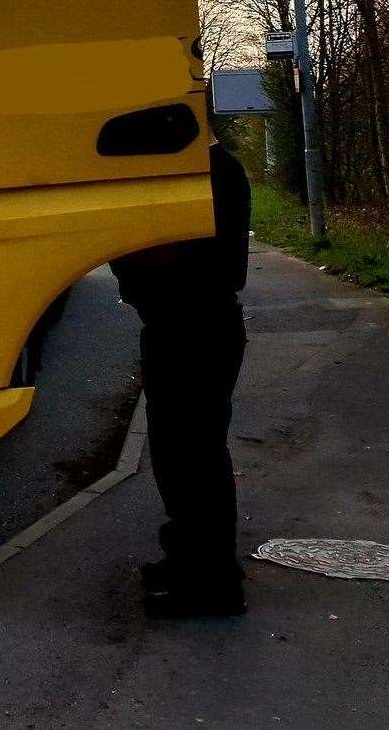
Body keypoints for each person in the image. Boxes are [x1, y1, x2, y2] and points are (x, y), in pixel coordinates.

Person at [111, 142, 251, 617]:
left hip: (193, 329)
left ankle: (212, 583)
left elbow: (174, 257)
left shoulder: (203, 173)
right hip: (189, 327)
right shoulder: (208, 168)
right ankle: (192, 560)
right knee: (182, 455)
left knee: (193, 458)